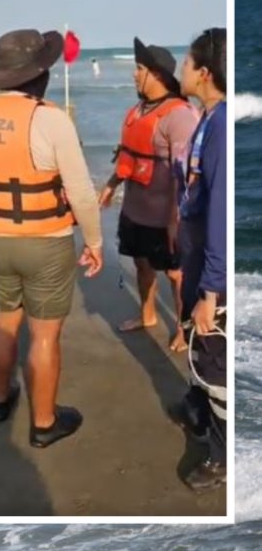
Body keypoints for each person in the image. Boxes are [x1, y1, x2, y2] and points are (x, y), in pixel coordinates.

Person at [0, 29, 103, 448]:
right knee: (43, 335)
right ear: (38, 75)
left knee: (3, 322)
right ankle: (44, 424)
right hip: (46, 239)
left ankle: (0, 400)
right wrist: (94, 242)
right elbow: (80, 190)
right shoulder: (50, 118)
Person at [98, 39, 198, 352]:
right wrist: (112, 184)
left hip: (166, 214)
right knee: (141, 264)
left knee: (176, 274)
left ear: (156, 74)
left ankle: (184, 328)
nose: (133, 74)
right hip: (135, 209)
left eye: (139, 69)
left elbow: (191, 174)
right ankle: (148, 314)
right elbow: (129, 155)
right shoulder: (138, 110)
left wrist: (181, 219)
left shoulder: (179, 116)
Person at [171, 27, 228, 492]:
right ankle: (198, 406)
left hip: (211, 263)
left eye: (185, 63)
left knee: (215, 355)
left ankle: (222, 454)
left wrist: (212, 289)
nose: (179, 69)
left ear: (204, 72)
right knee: (195, 340)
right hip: (194, 250)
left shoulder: (222, 124)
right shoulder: (205, 116)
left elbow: (222, 214)